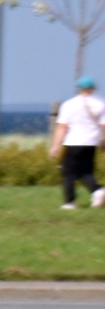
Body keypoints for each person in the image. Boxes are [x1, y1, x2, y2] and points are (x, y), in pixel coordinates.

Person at [51, 77, 105, 210]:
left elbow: (62, 127)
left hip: (74, 142)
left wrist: (56, 145)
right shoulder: (100, 104)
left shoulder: (69, 105)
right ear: (92, 89)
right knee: (86, 171)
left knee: (68, 172)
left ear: (78, 89)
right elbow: (103, 126)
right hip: (92, 143)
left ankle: (69, 202)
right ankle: (97, 191)